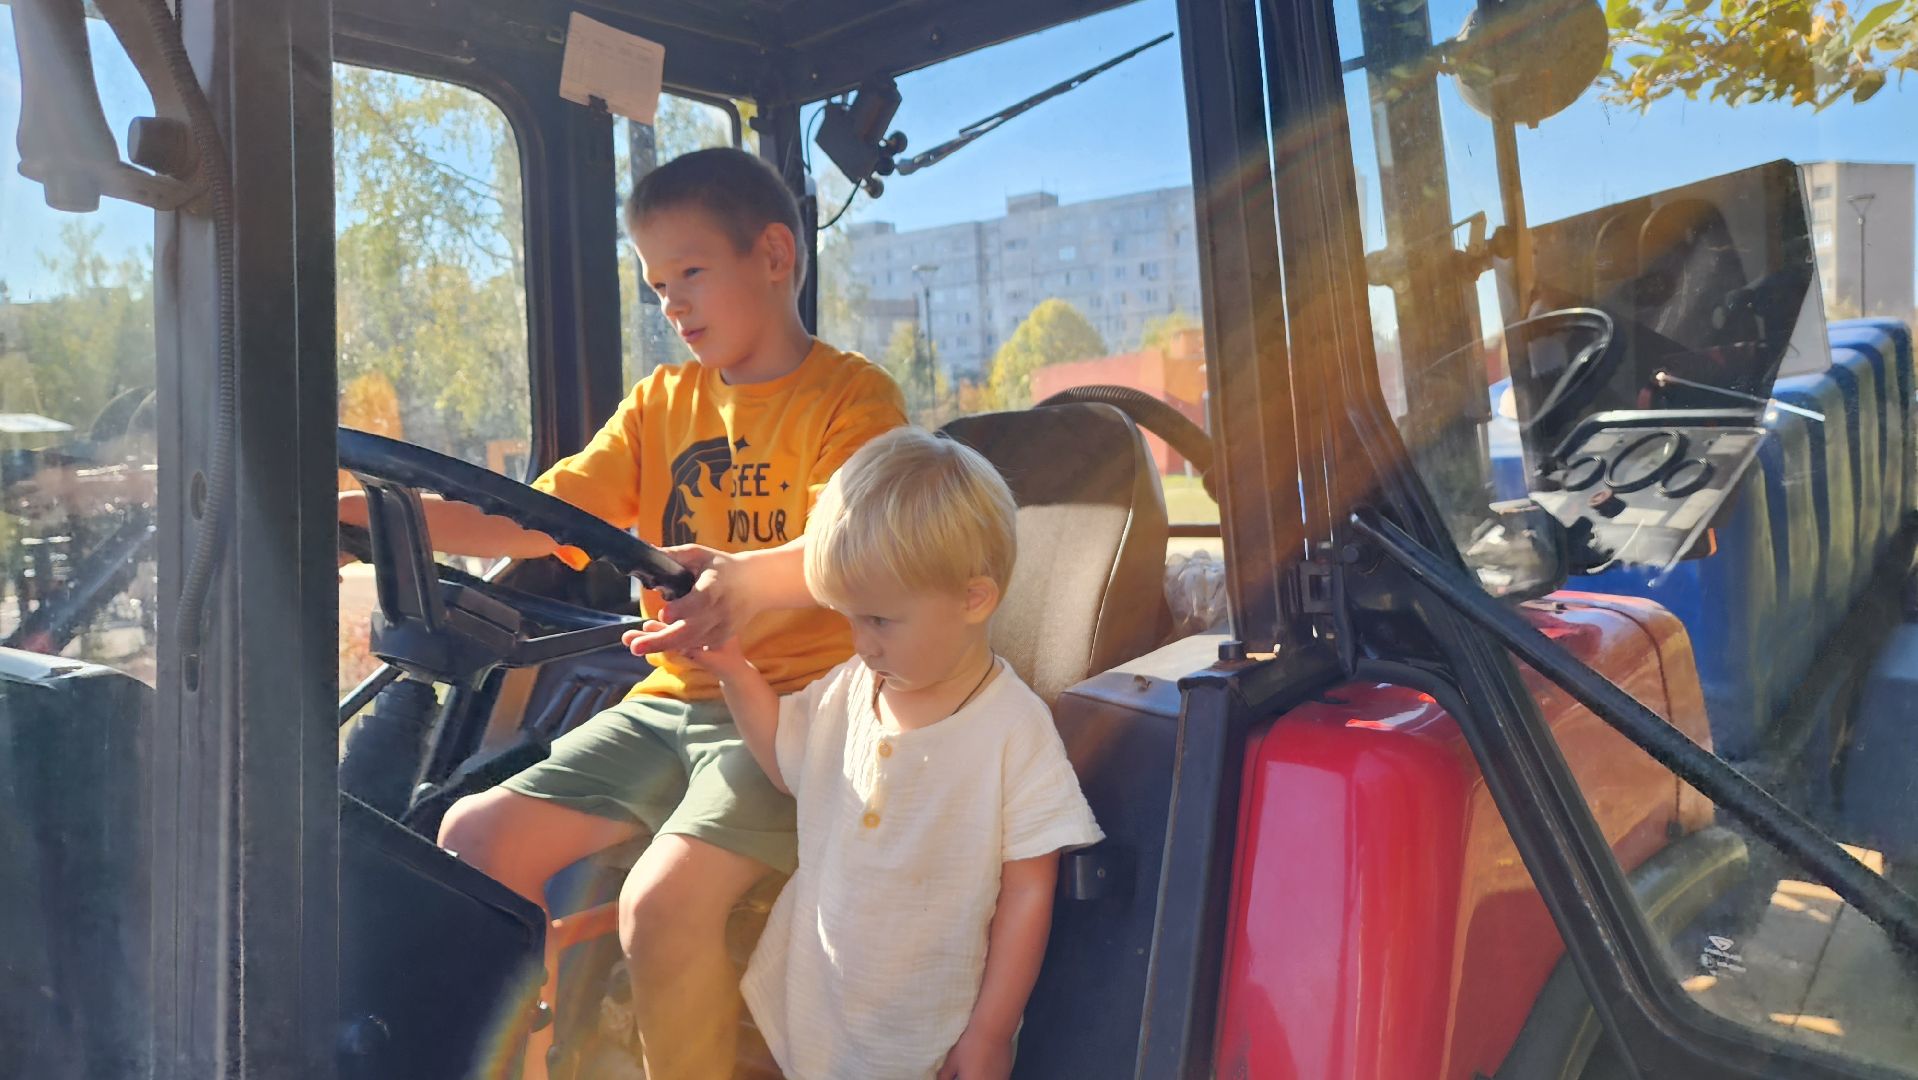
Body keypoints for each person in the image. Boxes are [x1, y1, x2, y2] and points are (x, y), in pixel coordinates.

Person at [337, 147, 906, 1080]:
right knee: (469, 841)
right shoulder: (661, 404)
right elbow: (527, 517)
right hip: (669, 701)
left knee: (662, 905)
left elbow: (862, 545)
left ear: (773, 255)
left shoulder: (850, 399)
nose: (671, 304)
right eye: (654, 285)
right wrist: (357, 516)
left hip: (794, 714)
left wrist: (745, 582)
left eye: (690, 272)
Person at [674, 426, 1103, 1080]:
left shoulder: (1014, 731)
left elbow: (1027, 892)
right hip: (820, 1009)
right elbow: (786, 762)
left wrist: (989, 1033)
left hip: (922, 1032)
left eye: (878, 620)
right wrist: (733, 670)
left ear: (973, 599)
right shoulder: (852, 687)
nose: (861, 642)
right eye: (849, 617)